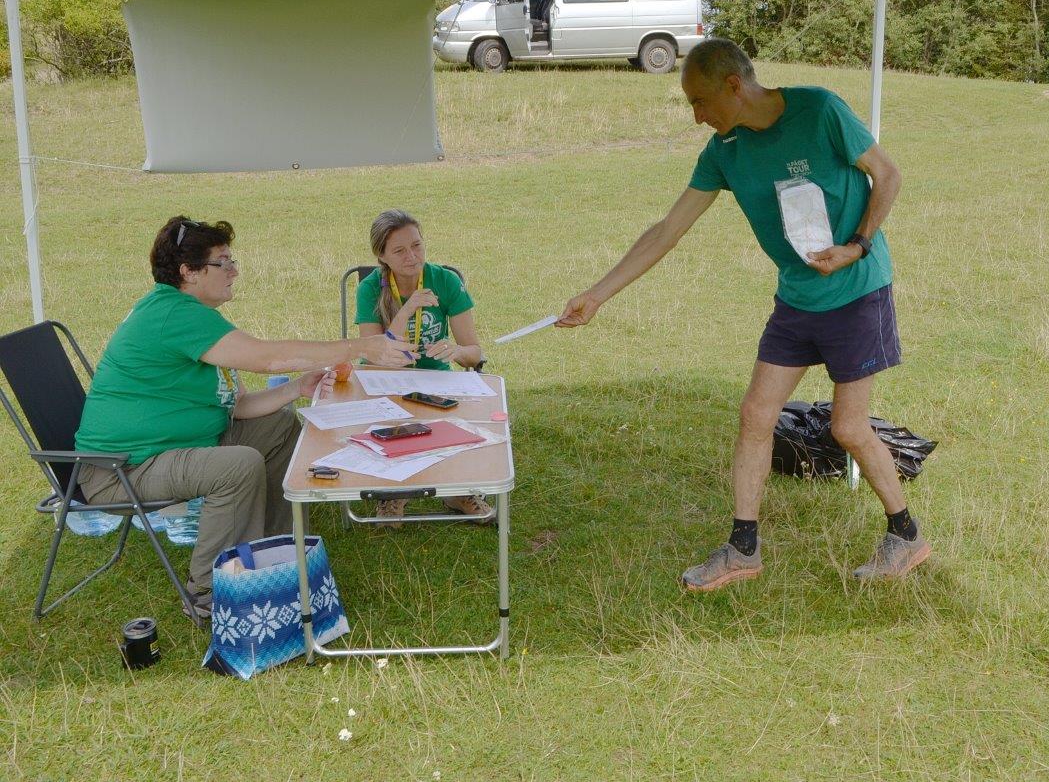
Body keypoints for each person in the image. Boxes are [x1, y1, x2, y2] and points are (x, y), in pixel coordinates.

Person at [558, 38, 930, 592]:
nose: (697, 116)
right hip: (796, 298)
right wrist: (597, 295)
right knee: (756, 415)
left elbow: (888, 174)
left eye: (700, 101)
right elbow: (668, 230)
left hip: (857, 291)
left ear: (734, 86)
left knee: (848, 427)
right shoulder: (724, 152)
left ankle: (906, 535)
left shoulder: (820, 110)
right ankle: (743, 550)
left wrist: (857, 245)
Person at [75, 216, 416, 619]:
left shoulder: (189, 313)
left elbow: (234, 406)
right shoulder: (174, 315)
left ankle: (273, 552)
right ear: (189, 272)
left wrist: (295, 389)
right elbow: (267, 358)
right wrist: (362, 347)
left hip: (167, 449)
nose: (234, 271)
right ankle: (212, 594)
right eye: (223, 262)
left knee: (280, 425)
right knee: (238, 465)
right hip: (121, 469)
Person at [354, 208, 493, 523]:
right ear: (382, 256)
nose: (412, 256)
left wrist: (457, 351)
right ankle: (392, 494)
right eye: (400, 251)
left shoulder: (444, 280)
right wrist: (407, 309)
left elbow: (475, 353)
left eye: (417, 245)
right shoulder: (370, 288)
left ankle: (457, 490)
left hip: (435, 380)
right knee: (391, 416)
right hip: (385, 380)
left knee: (449, 414)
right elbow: (375, 357)